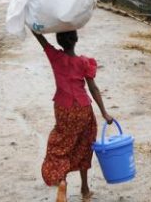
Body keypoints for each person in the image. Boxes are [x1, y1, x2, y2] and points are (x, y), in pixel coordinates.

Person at [32, 30, 113, 202]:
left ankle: (62, 180)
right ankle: (85, 190)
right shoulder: (84, 62)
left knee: (59, 145)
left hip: (63, 108)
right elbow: (93, 88)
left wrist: (33, 26)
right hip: (83, 109)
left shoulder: (55, 57)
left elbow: (41, 40)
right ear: (76, 40)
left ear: (59, 41)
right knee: (84, 145)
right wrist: (104, 113)